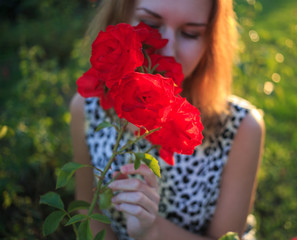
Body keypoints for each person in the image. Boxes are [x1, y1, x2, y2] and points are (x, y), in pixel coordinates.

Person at [70, 0, 265, 239]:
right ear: (119, 17)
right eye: (150, 25)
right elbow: (88, 210)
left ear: (210, 43)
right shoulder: (88, 108)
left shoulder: (241, 129)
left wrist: (153, 231)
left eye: (190, 33)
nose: (168, 50)